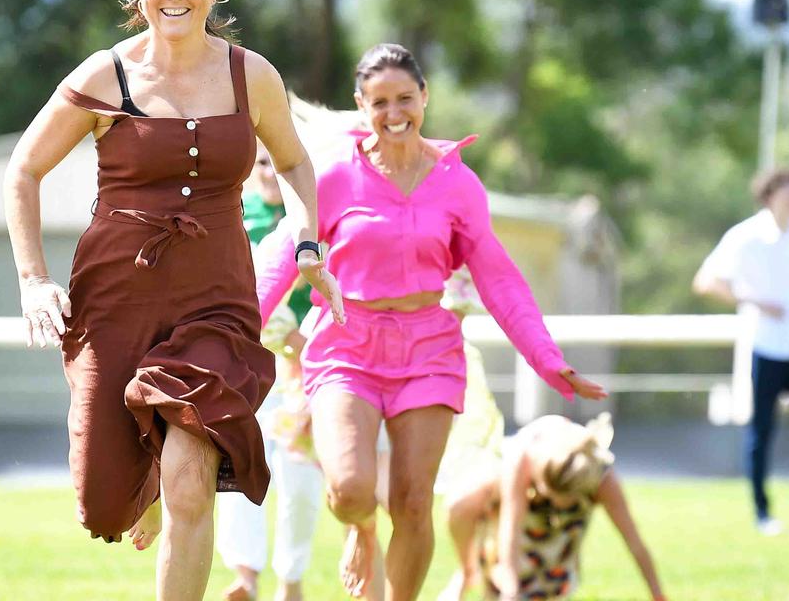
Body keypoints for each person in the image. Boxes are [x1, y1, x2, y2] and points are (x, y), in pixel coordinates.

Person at [4, 0, 342, 601]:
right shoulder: (104, 76)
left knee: (194, 483)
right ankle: (143, 474)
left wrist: (309, 243)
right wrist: (33, 281)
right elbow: (23, 170)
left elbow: (297, 165)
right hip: (115, 295)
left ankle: (172, 476)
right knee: (101, 505)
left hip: (214, 294)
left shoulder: (253, 77)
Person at [255, 43, 607, 600]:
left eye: (405, 99)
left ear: (425, 97)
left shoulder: (457, 184)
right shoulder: (334, 177)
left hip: (428, 350)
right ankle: (360, 528)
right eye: (379, 102)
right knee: (349, 489)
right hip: (348, 343)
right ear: (360, 104)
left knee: (414, 502)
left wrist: (547, 359)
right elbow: (280, 258)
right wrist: (232, 329)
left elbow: (499, 277)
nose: (394, 113)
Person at [216, 146, 323, 601]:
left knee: (299, 476)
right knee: (239, 466)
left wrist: (304, 342)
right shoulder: (230, 215)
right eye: (259, 162)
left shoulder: (314, 222)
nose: (268, 173)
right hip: (244, 363)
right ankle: (245, 575)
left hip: (306, 366)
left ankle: (291, 577)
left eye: (277, 164)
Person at [438, 414, 667, 601]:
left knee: (546, 583)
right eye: (553, 496)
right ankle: (466, 573)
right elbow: (511, 527)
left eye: (564, 499)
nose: (558, 504)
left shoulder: (601, 476)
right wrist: (510, 591)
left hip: (562, 535)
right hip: (508, 490)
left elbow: (633, 541)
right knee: (462, 504)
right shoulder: (522, 461)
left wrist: (658, 594)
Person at [693, 168, 789, 537]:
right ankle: (762, 512)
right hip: (766, 347)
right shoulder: (746, 237)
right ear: (769, 196)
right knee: (761, 430)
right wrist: (754, 301)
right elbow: (706, 281)